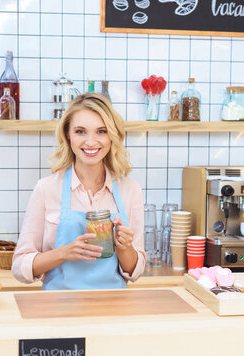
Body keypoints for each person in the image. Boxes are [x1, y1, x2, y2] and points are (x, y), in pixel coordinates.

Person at [12, 93, 146, 290]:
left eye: (101, 131)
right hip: (59, 309)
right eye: (80, 131)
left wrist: (125, 248)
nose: (90, 142)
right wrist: (63, 253)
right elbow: (19, 267)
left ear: (112, 136)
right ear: (68, 134)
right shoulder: (46, 188)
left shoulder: (130, 190)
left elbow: (136, 271)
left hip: (113, 309)